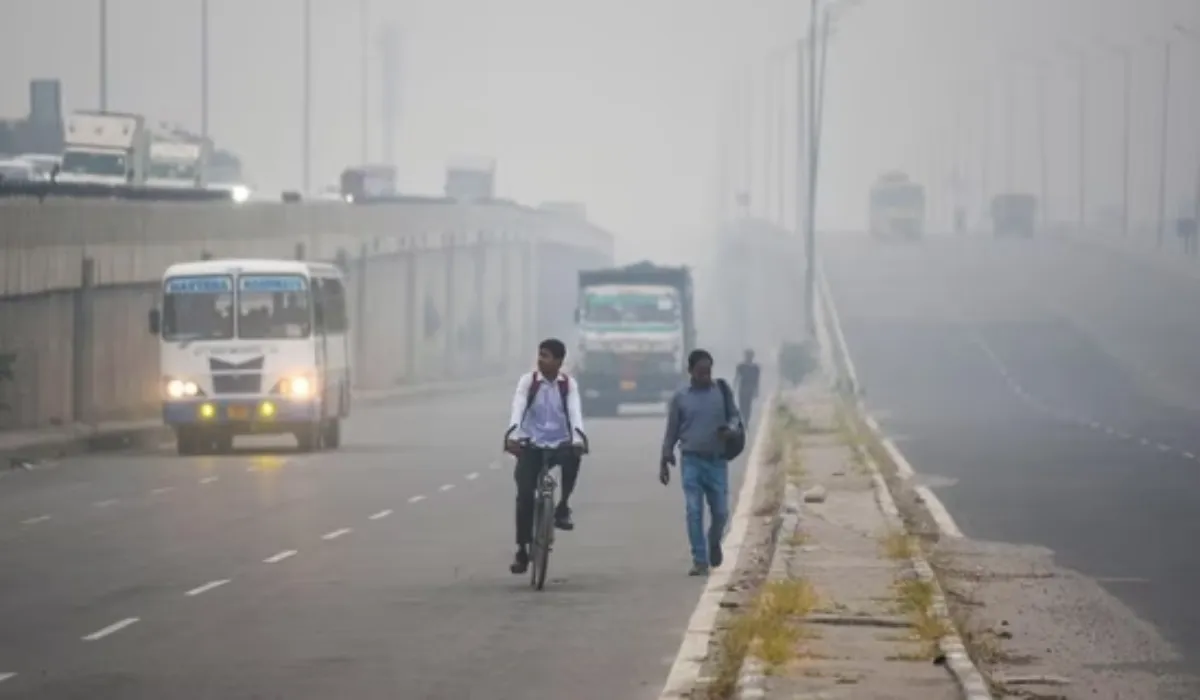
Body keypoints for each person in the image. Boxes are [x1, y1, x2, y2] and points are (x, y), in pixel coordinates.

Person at [504, 338, 588, 575]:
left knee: (574, 458)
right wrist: (513, 434)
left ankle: (562, 506)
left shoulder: (567, 385)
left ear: (559, 361)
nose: (541, 360)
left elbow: (575, 412)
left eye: (547, 356)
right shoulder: (528, 382)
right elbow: (518, 408)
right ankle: (522, 548)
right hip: (531, 444)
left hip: (559, 442)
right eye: (540, 355)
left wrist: (578, 438)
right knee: (524, 495)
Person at [660, 349, 743, 576]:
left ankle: (713, 541)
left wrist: (731, 430)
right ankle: (699, 558)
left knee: (721, 513)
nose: (705, 376)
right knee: (694, 510)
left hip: (716, 462)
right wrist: (665, 457)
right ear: (690, 372)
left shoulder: (722, 391)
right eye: (700, 372)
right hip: (691, 461)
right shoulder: (681, 398)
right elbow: (672, 431)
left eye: (708, 371)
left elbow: (735, 416)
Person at [733, 349, 761, 423]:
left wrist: (756, 390)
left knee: (748, 407)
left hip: (749, 389)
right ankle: (743, 420)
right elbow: (737, 378)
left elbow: (756, 381)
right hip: (743, 389)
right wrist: (734, 388)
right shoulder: (741, 366)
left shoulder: (755, 368)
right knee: (742, 406)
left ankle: (746, 421)